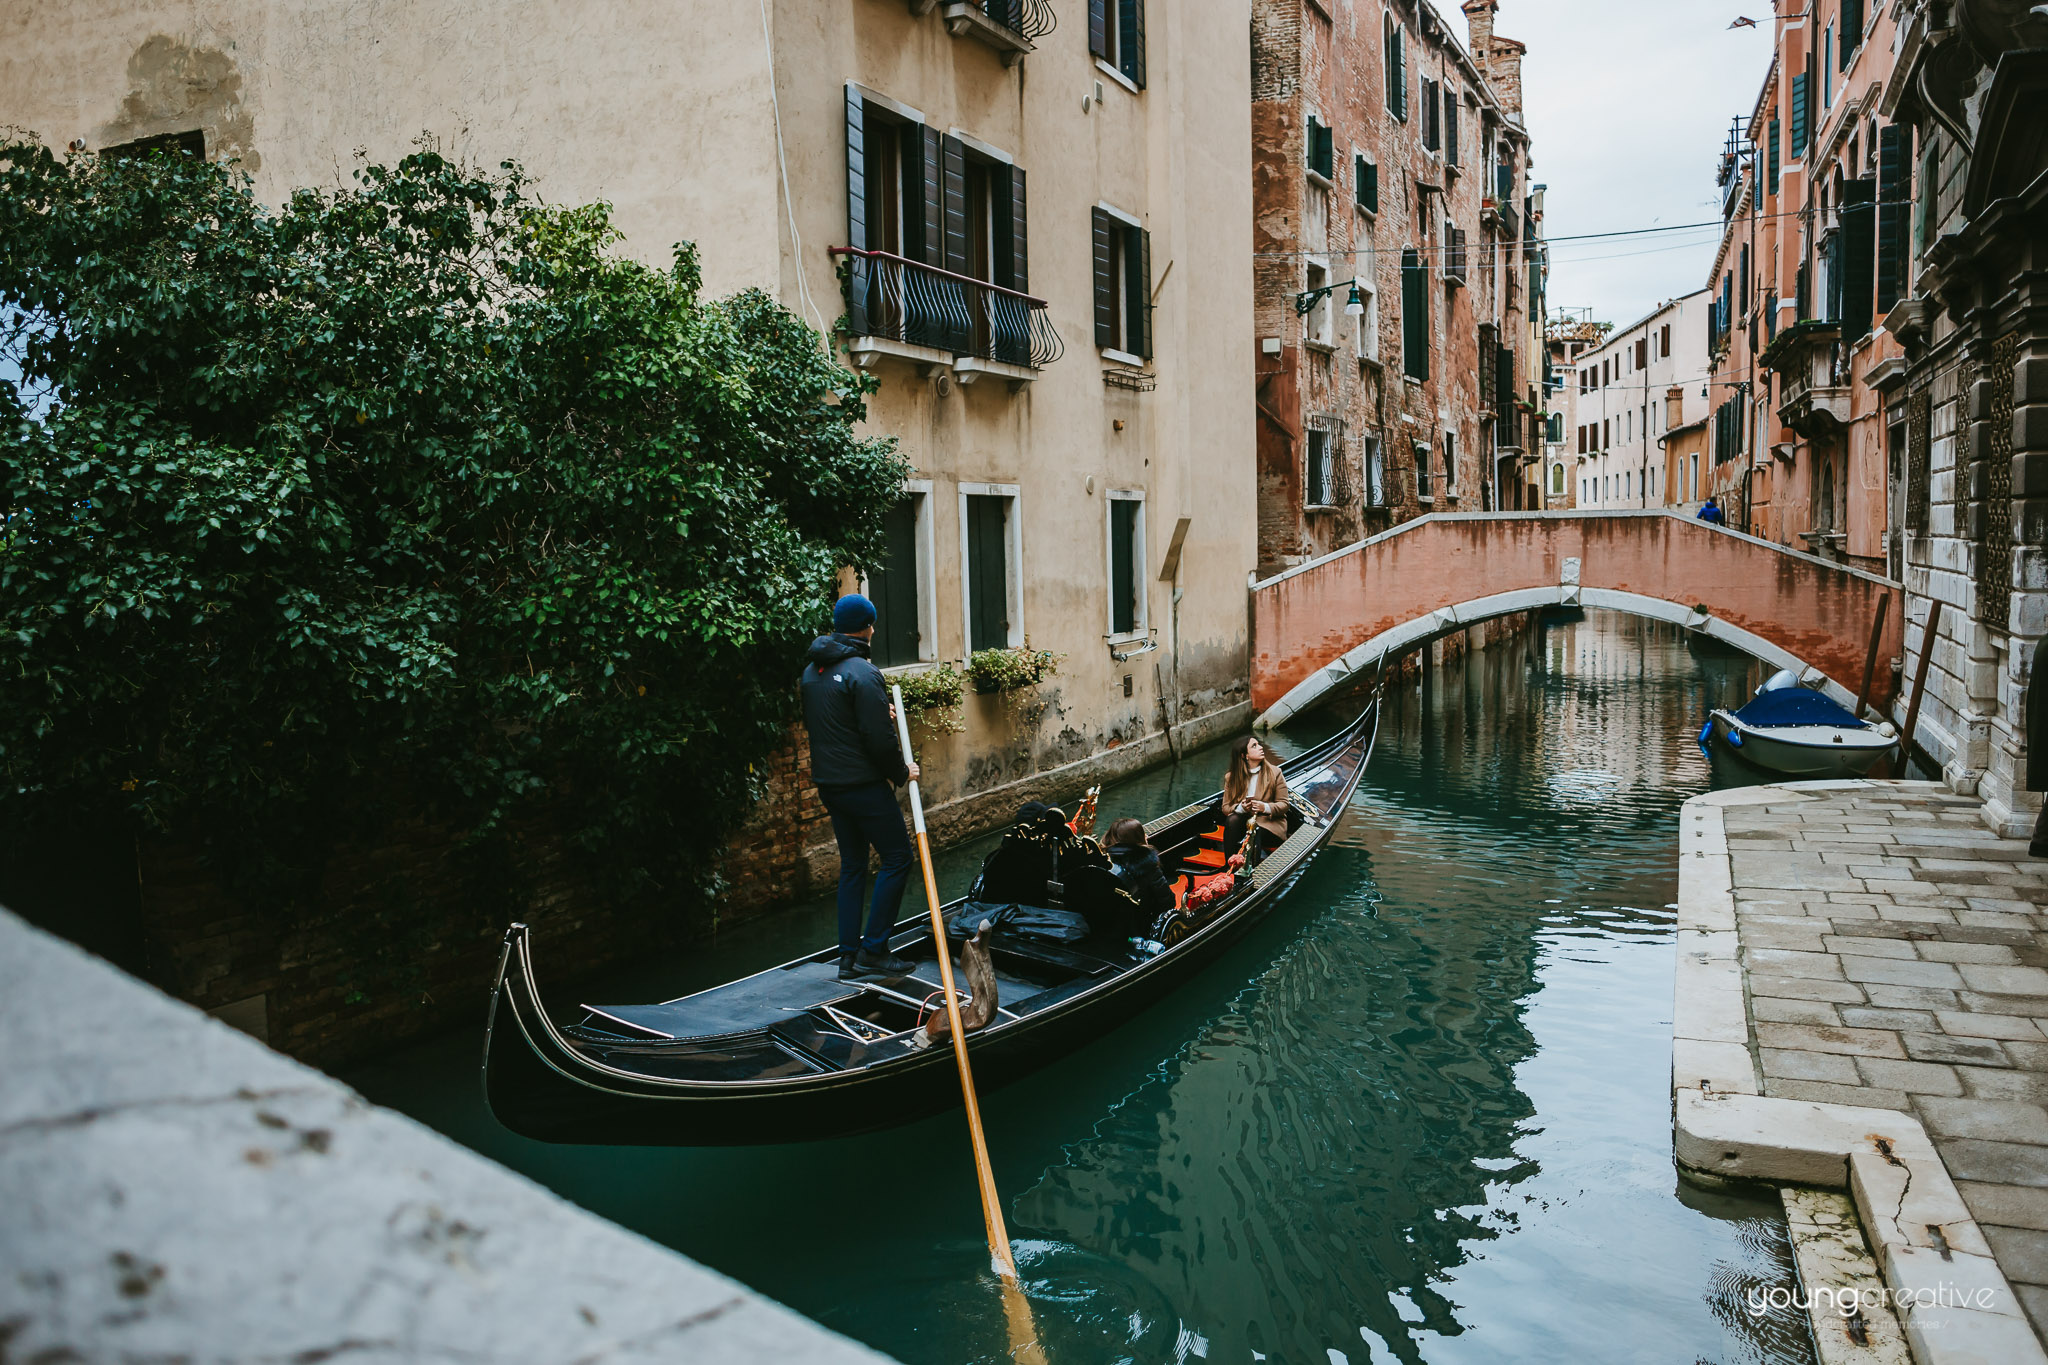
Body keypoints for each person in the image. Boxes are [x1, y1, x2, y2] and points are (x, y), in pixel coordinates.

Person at [802, 593, 920, 981]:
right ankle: (874, 950)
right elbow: (878, 740)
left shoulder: (811, 672)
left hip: (830, 786)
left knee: (853, 865)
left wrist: (875, 711)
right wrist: (904, 773)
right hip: (863, 785)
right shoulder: (864, 672)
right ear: (869, 627)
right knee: (898, 857)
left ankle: (847, 957)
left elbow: (835, 721)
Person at [1221, 734, 1293, 864]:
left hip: (1270, 825)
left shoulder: (1275, 773)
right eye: (1254, 746)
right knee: (1232, 819)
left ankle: (1250, 871)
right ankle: (1230, 865)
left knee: (1255, 830)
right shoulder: (1231, 777)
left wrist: (1264, 807)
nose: (1260, 747)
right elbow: (1226, 808)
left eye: (1259, 744)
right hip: (1245, 822)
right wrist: (1241, 808)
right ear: (1244, 755)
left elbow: (1284, 805)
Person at [1104, 817, 1176, 924]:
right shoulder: (1147, 865)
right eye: (1143, 833)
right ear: (1137, 839)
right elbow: (1168, 902)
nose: (1146, 836)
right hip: (1142, 923)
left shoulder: (1105, 860)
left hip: (1114, 921)